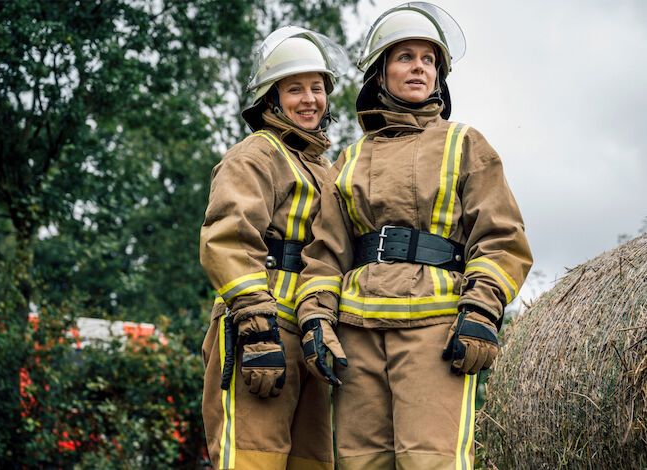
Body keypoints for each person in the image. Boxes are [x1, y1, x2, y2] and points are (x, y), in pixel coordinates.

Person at [294, 3, 533, 469]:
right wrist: (316, 320)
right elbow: (325, 252)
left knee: (431, 462)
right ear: (380, 74)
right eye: (405, 57)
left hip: (435, 333)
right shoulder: (350, 157)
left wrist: (481, 311)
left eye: (429, 60)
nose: (419, 67)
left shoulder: (466, 144)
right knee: (361, 463)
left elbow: (501, 238)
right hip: (356, 336)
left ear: (439, 76)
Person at [199, 26, 348, 470]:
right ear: (270, 98)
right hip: (258, 335)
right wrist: (256, 327)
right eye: (295, 88)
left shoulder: (324, 169)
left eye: (317, 88)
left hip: (308, 337)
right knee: (252, 460)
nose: (309, 100)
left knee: (312, 462)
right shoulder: (256, 154)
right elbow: (227, 237)